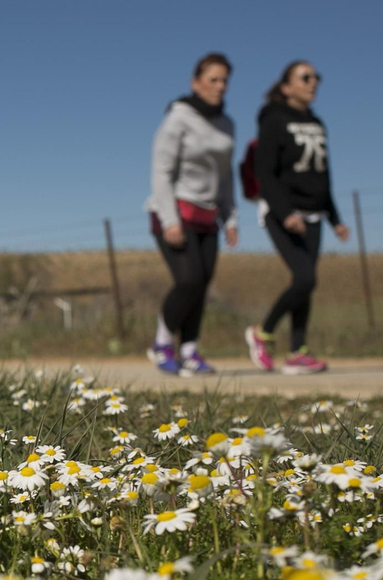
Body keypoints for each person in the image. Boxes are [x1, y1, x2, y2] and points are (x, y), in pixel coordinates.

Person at [244, 59, 350, 374]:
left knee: (305, 284)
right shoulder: (273, 119)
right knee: (305, 277)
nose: (313, 82)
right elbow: (265, 171)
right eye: (305, 77)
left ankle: (298, 352)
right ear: (287, 87)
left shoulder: (318, 124)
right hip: (283, 212)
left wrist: (335, 218)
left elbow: (322, 176)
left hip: (315, 213)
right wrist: (285, 211)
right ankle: (262, 332)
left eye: (316, 77)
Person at [145, 52, 238, 377]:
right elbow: (161, 170)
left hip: (208, 216)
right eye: (213, 79)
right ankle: (161, 344)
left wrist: (231, 217)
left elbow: (226, 176)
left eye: (225, 80)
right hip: (174, 211)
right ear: (196, 82)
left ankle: (189, 351)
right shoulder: (179, 117)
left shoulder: (227, 125)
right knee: (189, 280)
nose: (220, 86)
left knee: (203, 284)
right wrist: (170, 220)